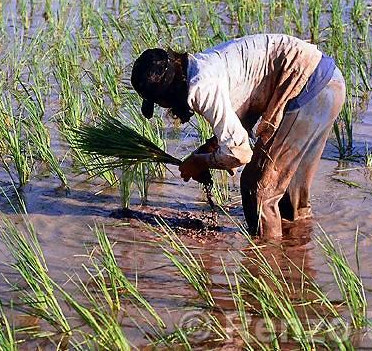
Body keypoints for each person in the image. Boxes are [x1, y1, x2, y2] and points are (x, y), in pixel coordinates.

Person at [130, 34, 345, 239]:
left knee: (258, 188)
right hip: (328, 83)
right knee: (291, 196)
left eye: (160, 102)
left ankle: (266, 264)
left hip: (307, 89)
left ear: (169, 93)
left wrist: (199, 162)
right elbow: (238, 123)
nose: (164, 108)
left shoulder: (201, 87)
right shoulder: (201, 65)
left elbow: (239, 152)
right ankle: (297, 250)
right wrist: (205, 154)